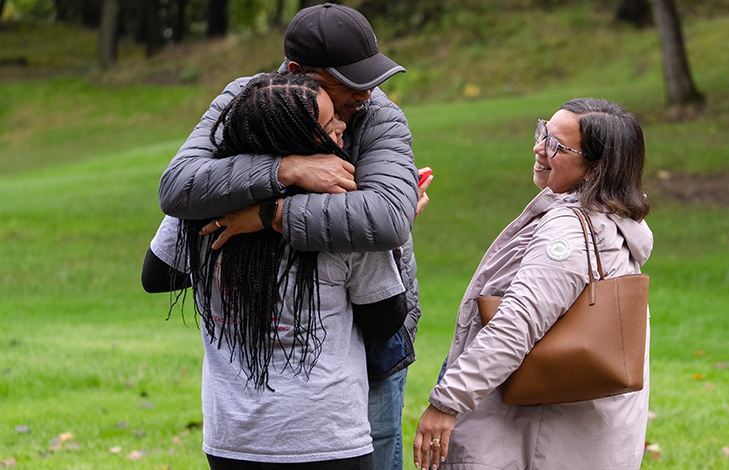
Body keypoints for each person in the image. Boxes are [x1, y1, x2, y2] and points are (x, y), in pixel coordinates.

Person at [155, 4, 428, 469]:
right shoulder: (244, 100)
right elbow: (178, 187)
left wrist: (270, 213)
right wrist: (285, 168)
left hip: (371, 328)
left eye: (371, 77)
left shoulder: (378, 113)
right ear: (300, 72)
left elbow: (387, 217)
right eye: (350, 81)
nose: (367, 92)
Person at [413, 98, 653, 470]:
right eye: (543, 133)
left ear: (595, 167)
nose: (539, 148)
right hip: (578, 435)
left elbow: (516, 324)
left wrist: (448, 401)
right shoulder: (617, 224)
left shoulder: (570, 232)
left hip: (529, 439)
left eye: (556, 145)